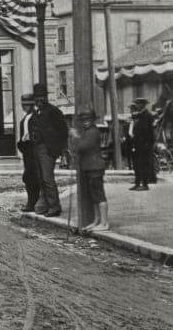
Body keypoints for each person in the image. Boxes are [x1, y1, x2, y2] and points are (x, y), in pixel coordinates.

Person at [29, 82, 69, 217]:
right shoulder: (36, 113)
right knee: (41, 178)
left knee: (47, 178)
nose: (39, 100)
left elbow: (63, 132)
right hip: (37, 148)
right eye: (36, 98)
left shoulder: (53, 112)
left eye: (41, 97)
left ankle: (54, 206)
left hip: (47, 149)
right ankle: (45, 204)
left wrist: (58, 149)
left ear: (46, 98)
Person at [69, 106, 109, 233]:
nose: (85, 121)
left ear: (93, 120)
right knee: (94, 195)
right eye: (83, 120)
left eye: (88, 119)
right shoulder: (88, 131)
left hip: (95, 167)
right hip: (90, 167)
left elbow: (82, 146)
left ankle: (104, 222)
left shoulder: (92, 132)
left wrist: (75, 136)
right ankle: (97, 220)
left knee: (99, 195)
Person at [17, 93, 40, 212]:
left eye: (27, 105)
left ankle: (35, 203)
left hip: (34, 151)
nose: (24, 107)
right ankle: (31, 202)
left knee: (33, 177)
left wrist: (29, 138)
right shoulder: (25, 118)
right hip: (27, 152)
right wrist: (21, 143)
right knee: (28, 177)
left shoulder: (36, 117)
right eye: (23, 105)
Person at [130, 97, 155, 191]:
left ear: (143, 105)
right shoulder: (139, 116)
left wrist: (148, 145)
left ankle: (145, 184)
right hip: (138, 145)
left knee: (144, 165)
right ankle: (137, 183)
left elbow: (149, 133)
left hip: (145, 145)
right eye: (136, 103)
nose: (136, 105)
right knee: (137, 165)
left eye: (138, 103)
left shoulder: (147, 116)